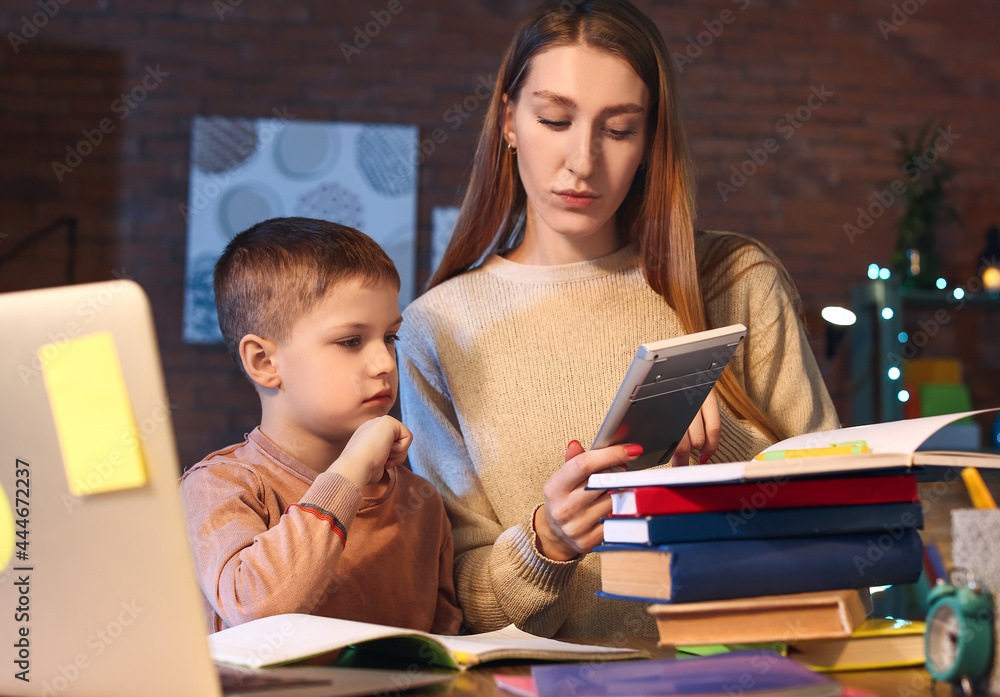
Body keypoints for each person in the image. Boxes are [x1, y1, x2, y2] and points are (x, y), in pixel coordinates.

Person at [397, 0, 839, 639]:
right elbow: (455, 603)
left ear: (650, 141)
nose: (582, 161)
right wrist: (546, 544)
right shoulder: (437, 328)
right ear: (509, 120)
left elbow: (841, 510)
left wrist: (724, 450)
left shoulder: (736, 280)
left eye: (619, 129)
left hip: (740, 676)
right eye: (554, 119)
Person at [181, 217, 463, 635]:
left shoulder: (421, 503)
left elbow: (444, 649)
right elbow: (259, 608)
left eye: (390, 337)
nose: (385, 363)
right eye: (351, 341)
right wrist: (350, 472)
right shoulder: (221, 487)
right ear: (264, 362)